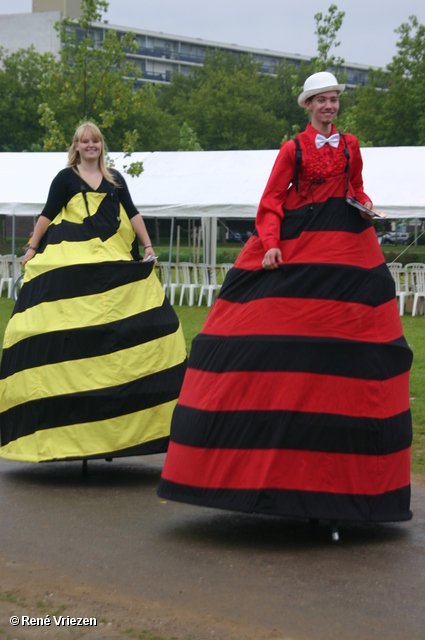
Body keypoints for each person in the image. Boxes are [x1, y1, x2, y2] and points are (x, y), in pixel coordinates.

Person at [157, 72, 413, 530]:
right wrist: (271, 243)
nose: (330, 106)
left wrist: (369, 209)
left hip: (345, 243)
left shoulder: (352, 146)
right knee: (273, 330)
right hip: (298, 238)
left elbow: (354, 190)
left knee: (353, 336)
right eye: (322, 100)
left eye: (335, 100)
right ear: (308, 105)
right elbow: (272, 199)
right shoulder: (292, 149)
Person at [0, 122, 187, 463]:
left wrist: (147, 247)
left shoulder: (115, 178)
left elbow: (132, 214)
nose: (91, 145)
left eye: (96, 140)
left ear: (102, 145)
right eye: (85, 141)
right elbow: (47, 214)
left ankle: (123, 422)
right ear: (76, 146)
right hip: (75, 262)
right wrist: (31, 247)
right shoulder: (65, 178)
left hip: (111, 260)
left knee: (127, 326)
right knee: (69, 330)